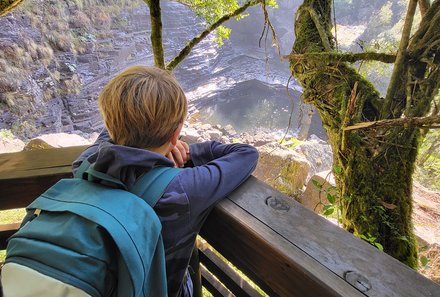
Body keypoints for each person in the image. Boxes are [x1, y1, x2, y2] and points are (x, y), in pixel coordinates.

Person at [72, 66, 259, 297]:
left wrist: (162, 143)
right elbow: (247, 154)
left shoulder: (86, 162)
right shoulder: (181, 189)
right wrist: (187, 151)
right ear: (176, 133)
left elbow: (109, 134)